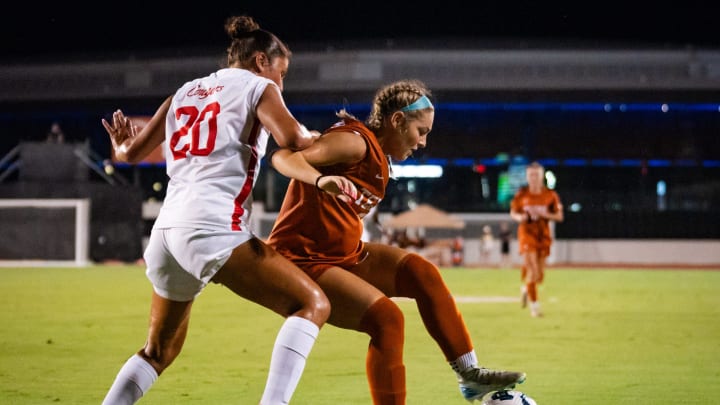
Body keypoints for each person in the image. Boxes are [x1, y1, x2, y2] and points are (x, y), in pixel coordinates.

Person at [99, 15, 358, 405]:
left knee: (157, 352)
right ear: (260, 62)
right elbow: (292, 137)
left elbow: (129, 154)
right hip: (212, 227)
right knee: (313, 303)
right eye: (281, 72)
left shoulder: (183, 93)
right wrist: (327, 137)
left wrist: (120, 143)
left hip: (166, 234)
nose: (281, 83)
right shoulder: (259, 87)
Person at [266, 79, 525, 404]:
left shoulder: (378, 159)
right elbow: (284, 158)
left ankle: (470, 376)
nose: (423, 142)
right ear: (398, 121)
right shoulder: (355, 143)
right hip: (301, 259)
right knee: (387, 319)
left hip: (340, 255)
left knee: (422, 272)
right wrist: (319, 179)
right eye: (421, 131)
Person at [509, 161, 564, 318]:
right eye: (531, 175)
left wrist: (545, 214)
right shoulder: (522, 195)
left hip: (543, 236)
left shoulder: (550, 195)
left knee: (538, 276)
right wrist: (520, 217)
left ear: (541, 176)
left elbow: (559, 216)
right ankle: (535, 307)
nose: (533, 178)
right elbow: (513, 212)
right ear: (527, 176)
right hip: (527, 235)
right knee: (532, 270)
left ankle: (526, 289)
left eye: (536, 175)